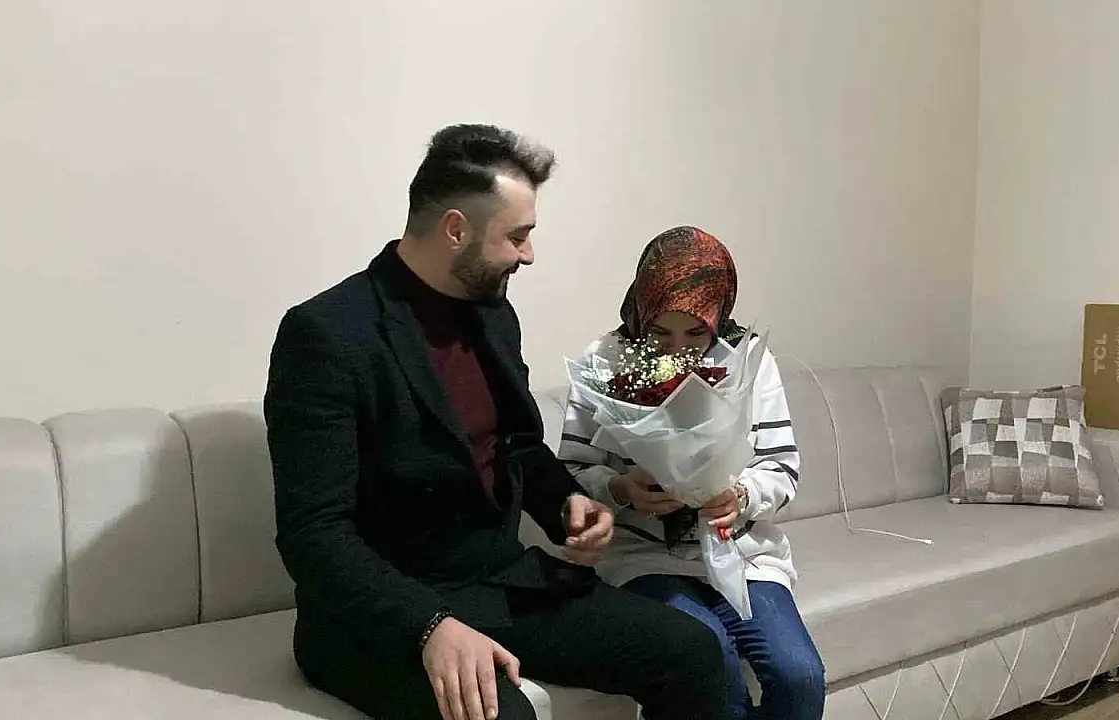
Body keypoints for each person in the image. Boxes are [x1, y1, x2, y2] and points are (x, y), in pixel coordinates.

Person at [264, 126, 726, 720]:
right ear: (456, 229)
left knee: (691, 651)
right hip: (375, 614)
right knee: (503, 715)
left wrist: (565, 503)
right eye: (517, 236)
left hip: (497, 583)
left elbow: (518, 445)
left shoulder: (493, 314)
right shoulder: (327, 334)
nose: (528, 255)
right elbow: (314, 533)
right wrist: (428, 625)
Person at [559, 226, 827, 720]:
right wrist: (620, 489)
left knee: (800, 677)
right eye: (659, 334)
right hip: (643, 558)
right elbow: (570, 471)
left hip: (744, 556)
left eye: (696, 334)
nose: (676, 351)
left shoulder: (748, 359)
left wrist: (741, 496)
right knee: (710, 664)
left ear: (718, 317)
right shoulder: (604, 361)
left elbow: (782, 468)